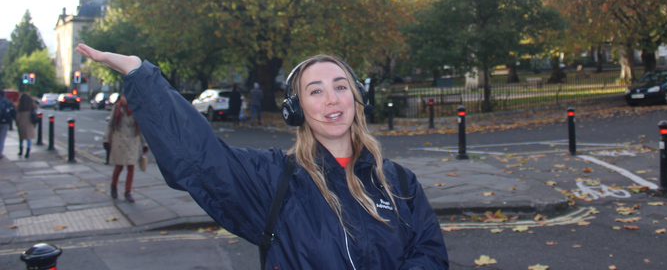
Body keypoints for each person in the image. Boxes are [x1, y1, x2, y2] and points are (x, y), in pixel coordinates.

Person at [75, 43, 448, 269]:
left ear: (356, 98)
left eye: (340, 87)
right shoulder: (274, 180)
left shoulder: (399, 182)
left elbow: (429, 251)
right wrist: (140, 74)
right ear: (296, 109)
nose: (332, 99)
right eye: (315, 91)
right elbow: (199, 158)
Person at [103, 95, 148, 203]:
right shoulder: (117, 108)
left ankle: (128, 191)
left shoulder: (136, 108)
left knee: (131, 167)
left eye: (126, 97)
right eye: (123, 97)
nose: (124, 100)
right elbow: (110, 124)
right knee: (119, 166)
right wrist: (106, 139)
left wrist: (144, 143)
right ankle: (114, 186)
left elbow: (141, 127)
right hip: (120, 140)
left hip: (133, 140)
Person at [16, 94, 38, 159]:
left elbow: (17, 117)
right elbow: (36, 109)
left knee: (21, 138)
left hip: (21, 124)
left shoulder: (20, 106)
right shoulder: (31, 106)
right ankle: (27, 152)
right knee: (29, 138)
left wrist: (17, 123)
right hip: (30, 124)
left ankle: (21, 151)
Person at [0, 90, 17, 159]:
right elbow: (13, 113)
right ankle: (0, 152)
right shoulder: (8, 102)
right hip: (5, 122)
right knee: (2, 138)